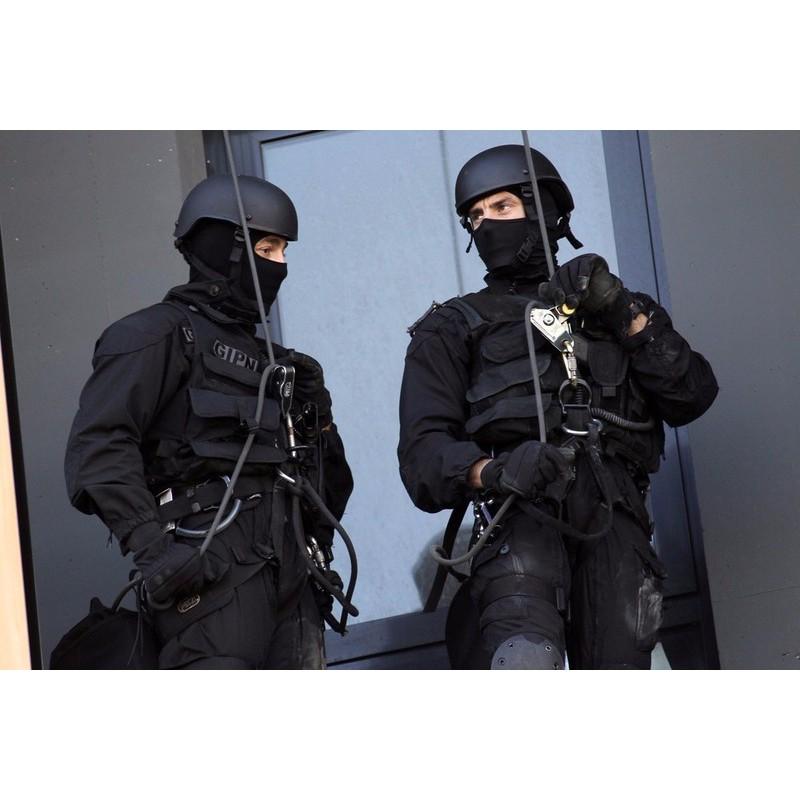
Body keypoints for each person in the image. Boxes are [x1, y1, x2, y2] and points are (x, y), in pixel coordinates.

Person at [398, 144, 718, 669]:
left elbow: (693, 395)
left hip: (618, 526)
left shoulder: (620, 309)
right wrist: (490, 471)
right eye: (474, 216)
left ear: (544, 209)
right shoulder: (451, 328)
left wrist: (621, 310)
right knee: (524, 660)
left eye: (502, 207)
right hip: (517, 519)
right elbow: (422, 459)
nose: (486, 225)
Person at [64, 174, 353, 669]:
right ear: (225, 246)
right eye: (268, 248)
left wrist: (318, 418)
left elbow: (330, 493)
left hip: (294, 580)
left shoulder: (276, 365)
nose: (280, 265)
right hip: (211, 572)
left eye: (284, 251)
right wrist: (153, 550)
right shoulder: (157, 335)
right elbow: (97, 449)